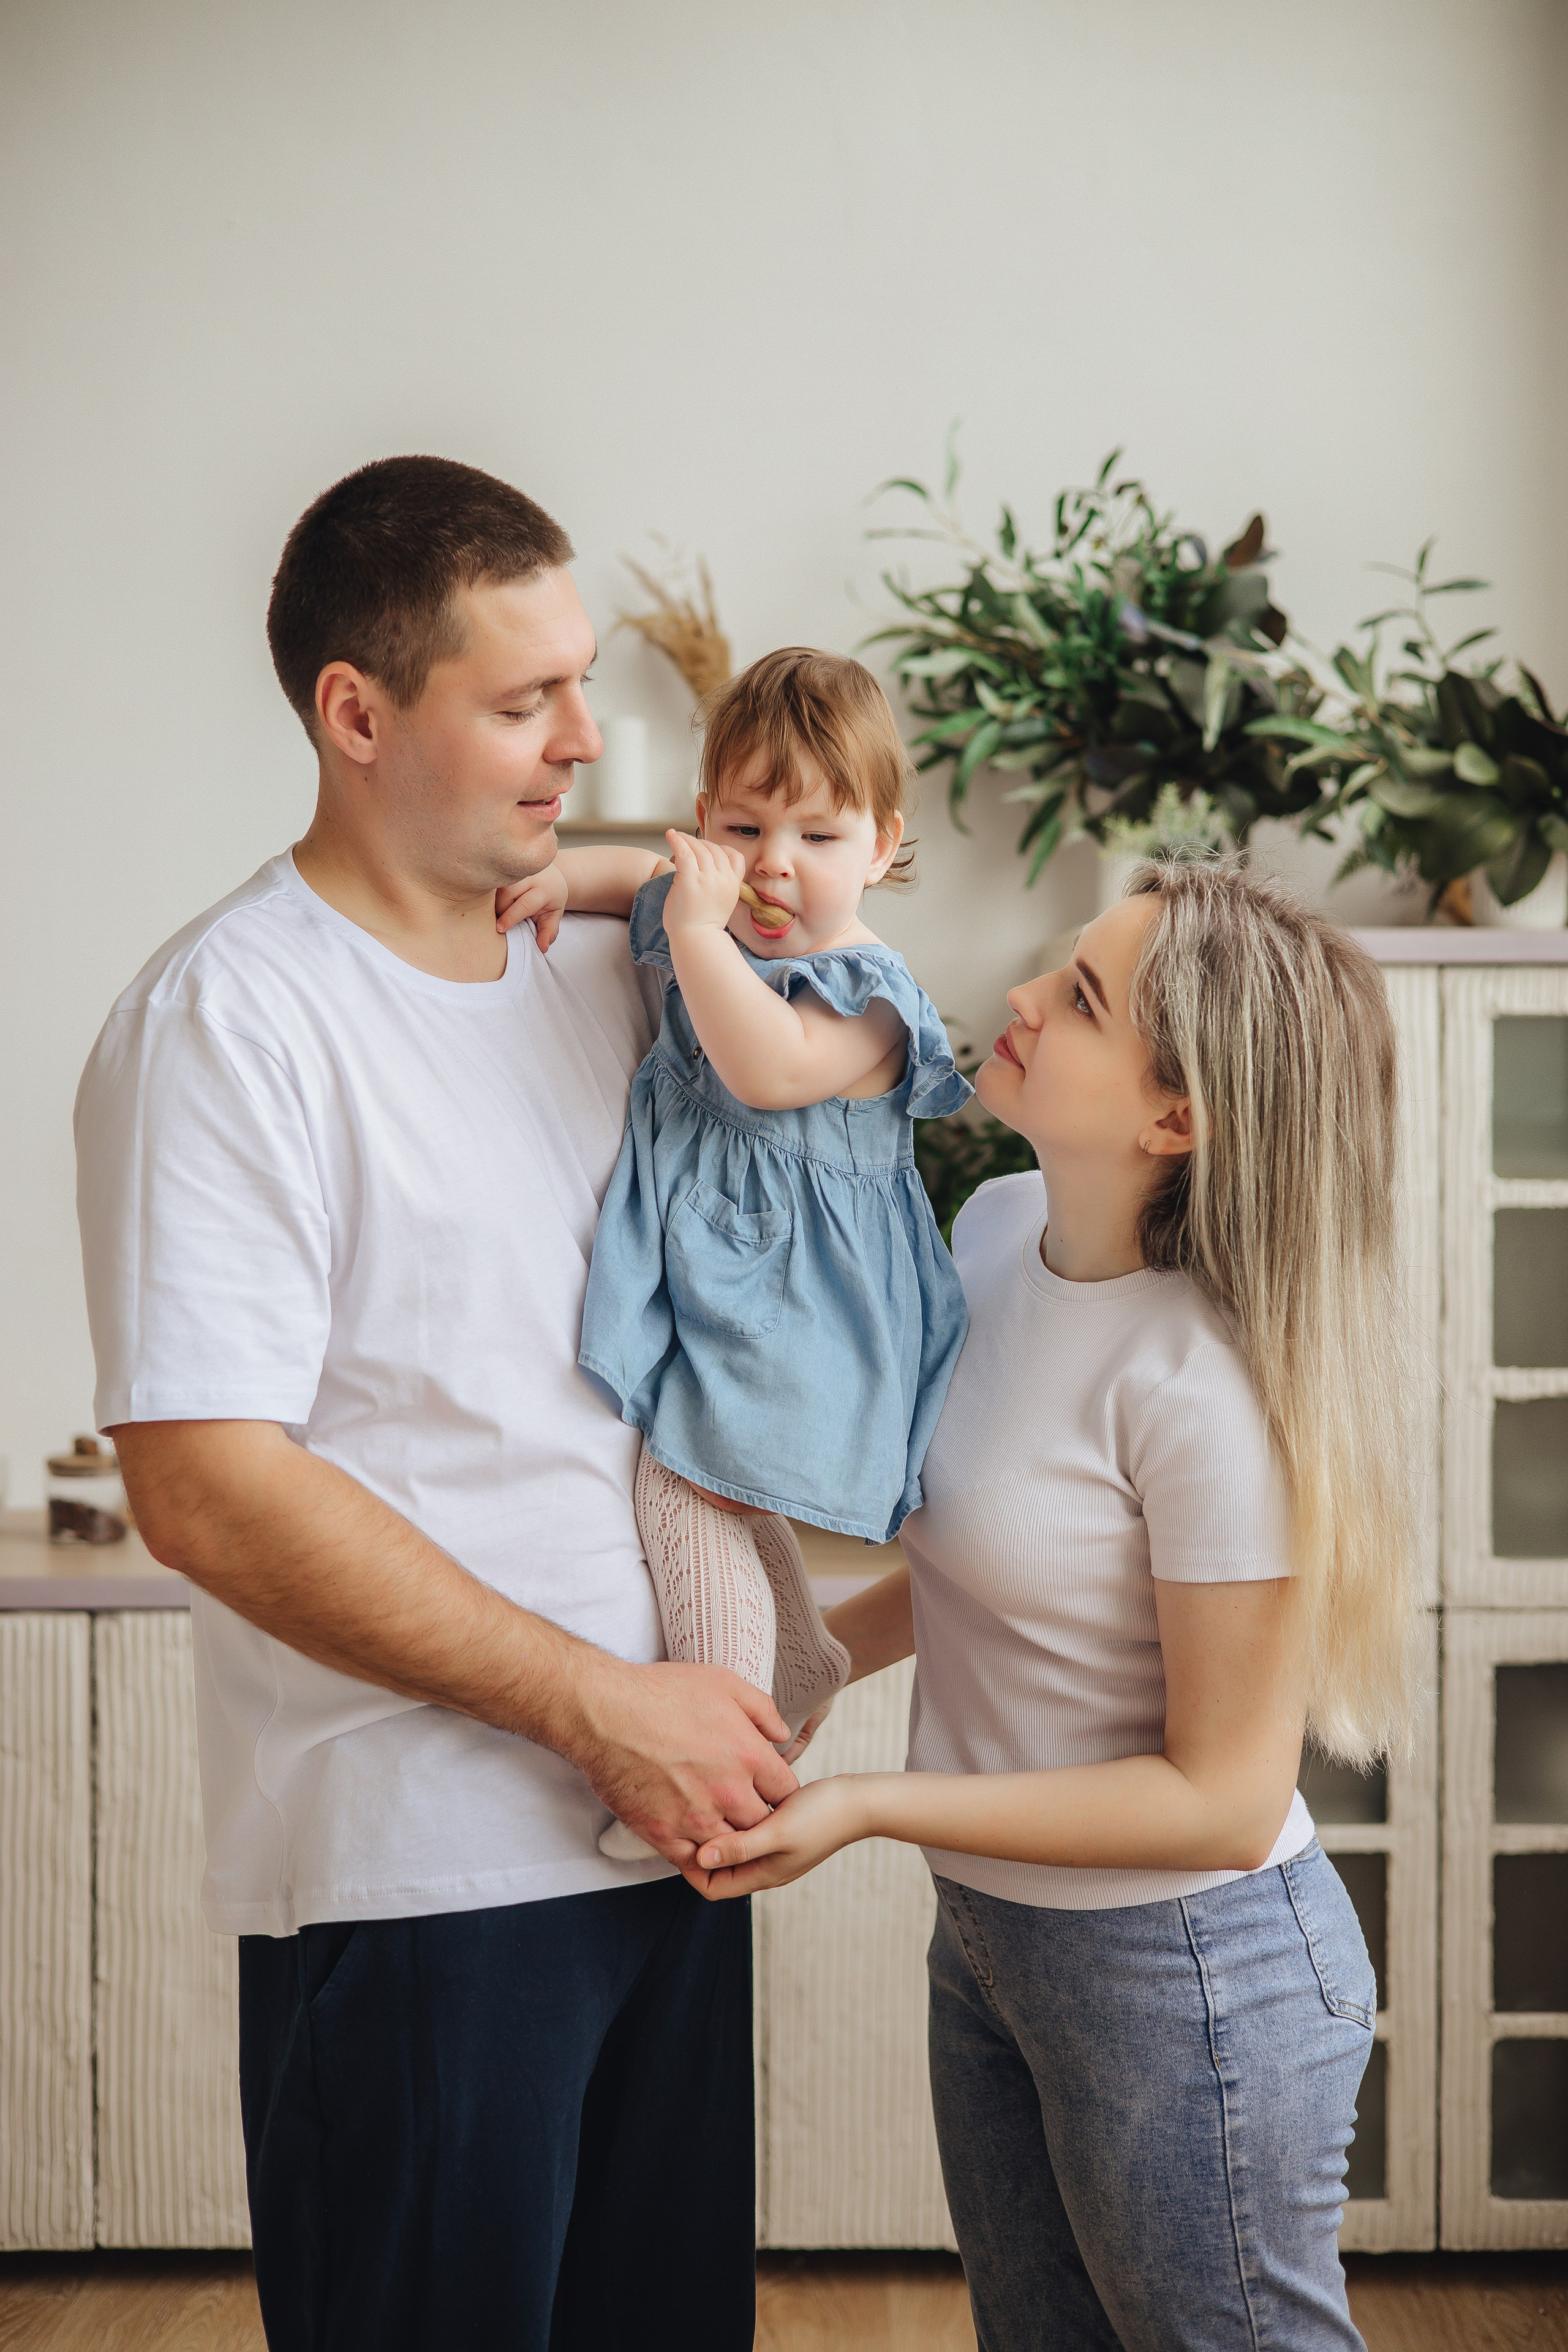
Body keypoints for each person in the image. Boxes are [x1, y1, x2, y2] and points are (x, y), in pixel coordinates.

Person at [74, 455, 788, 2352]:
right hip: (426, 1885)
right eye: (524, 700)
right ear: (357, 713)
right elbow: (212, 1489)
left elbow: (845, 995)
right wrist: (596, 1706)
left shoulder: (605, 979)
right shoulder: (231, 1025)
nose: (587, 735)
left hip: (666, 1842)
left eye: (584, 681)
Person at [692, 858, 1418, 2352]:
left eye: (1080, 997)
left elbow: (1220, 1800)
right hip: (993, 1946)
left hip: (1191, 1977)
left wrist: (871, 1804)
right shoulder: (993, 1229)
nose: (1020, 998)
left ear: (1177, 1117)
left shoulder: (1204, 1388)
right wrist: (815, 1659)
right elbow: (992, 1569)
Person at [499, 649, 972, 1859]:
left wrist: (698, 929)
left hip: (812, 1303)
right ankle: (799, 1656)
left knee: (682, 1485)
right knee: (710, 1465)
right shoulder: (698, 904)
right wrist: (561, 877)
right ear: (703, 818)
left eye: (817, 836)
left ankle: (726, 1772)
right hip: (731, 1281)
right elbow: (630, 878)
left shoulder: (868, 991)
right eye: (743, 824)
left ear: (878, 847)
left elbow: (766, 1071)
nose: (772, 864)